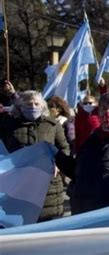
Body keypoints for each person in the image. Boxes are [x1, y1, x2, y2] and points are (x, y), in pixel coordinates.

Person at [0, 91, 70, 222]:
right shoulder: (8, 125)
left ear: (43, 106)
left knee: (49, 229)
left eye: (36, 103)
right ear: (20, 106)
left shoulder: (52, 125)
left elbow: (64, 148)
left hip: (49, 187)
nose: (33, 106)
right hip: (18, 185)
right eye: (28, 103)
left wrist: (58, 164)